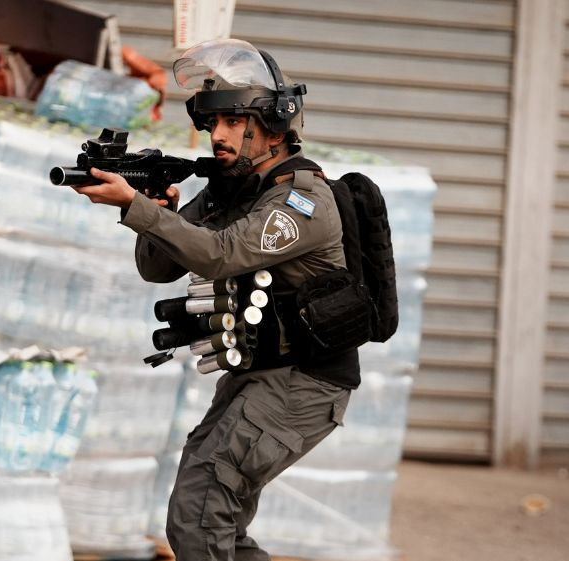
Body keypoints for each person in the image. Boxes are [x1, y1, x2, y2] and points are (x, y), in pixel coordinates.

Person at [71, 38, 360, 561]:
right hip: (257, 373)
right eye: (212, 124)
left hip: (305, 381)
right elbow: (157, 268)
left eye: (231, 122)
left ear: (271, 124)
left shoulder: (302, 198)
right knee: (214, 523)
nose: (216, 135)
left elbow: (219, 255)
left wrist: (140, 207)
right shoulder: (231, 187)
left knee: (199, 511)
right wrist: (157, 210)